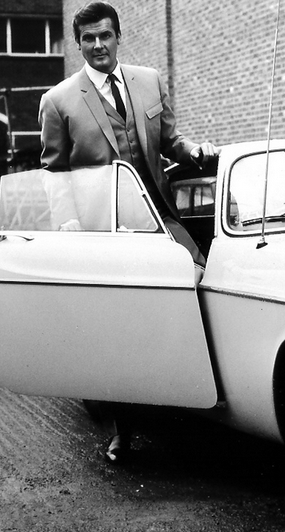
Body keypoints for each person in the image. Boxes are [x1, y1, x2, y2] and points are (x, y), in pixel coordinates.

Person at [38, 1, 219, 464]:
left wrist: (194, 151)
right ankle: (122, 428)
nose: (98, 45)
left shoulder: (149, 80)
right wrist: (69, 224)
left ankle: (195, 396)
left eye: (105, 35)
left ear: (119, 37)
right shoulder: (59, 100)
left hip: (160, 216)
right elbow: (54, 171)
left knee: (199, 280)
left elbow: (170, 141)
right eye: (88, 38)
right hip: (107, 229)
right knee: (116, 323)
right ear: (78, 44)